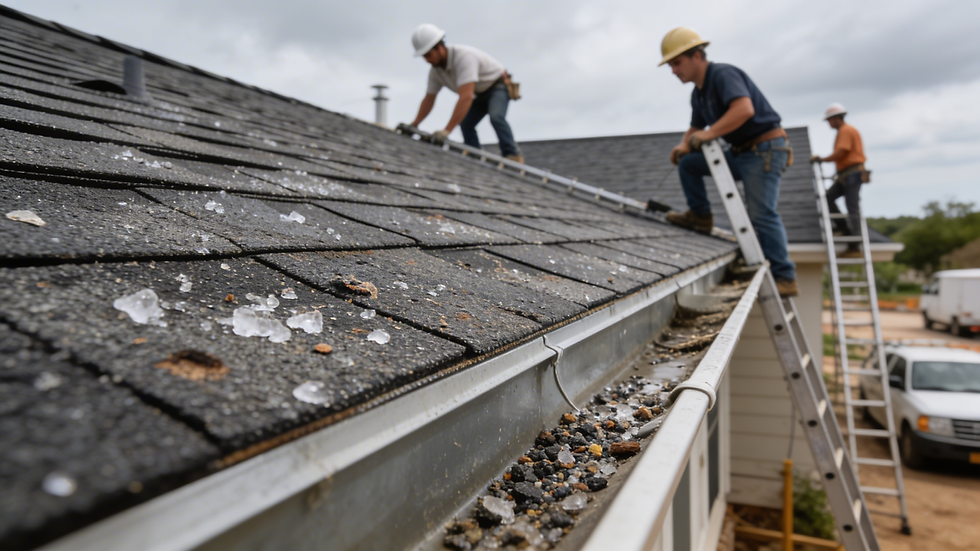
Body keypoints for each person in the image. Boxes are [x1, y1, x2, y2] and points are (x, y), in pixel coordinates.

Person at [659, 27, 798, 296]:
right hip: (741, 153)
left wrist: (710, 133)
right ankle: (700, 216)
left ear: (697, 56)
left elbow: (744, 109)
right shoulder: (698, 94)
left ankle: (785, 277)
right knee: (689, 163)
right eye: (670, 66)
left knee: (761, 214)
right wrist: (683, 146)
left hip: (765, 149)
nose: (673, 70)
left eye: (676, 63)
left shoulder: (722, 74)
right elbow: (695, 128)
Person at [409, 24, 524, 163]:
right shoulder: (435, 72)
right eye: (424, 56)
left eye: (428, 55)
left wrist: (446, 131)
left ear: (439, 47)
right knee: (465, 124)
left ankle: (512, 155)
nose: (427, 60)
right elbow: (429, 99)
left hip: (497, 86)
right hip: (479, 93)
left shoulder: (463, 58)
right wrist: (414, 125)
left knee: (496, 117)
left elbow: (466, 96)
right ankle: (474, 156)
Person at [811, 103, 867, 258]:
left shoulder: (846, 130)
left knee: (852, 207)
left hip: (852, 174)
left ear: (836, 119)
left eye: (830, 120)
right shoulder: (844, 131)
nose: (829, 123)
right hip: (846, 175)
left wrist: (822, 159)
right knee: (828, 198)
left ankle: (854, 246)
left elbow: (841, 152)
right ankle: (844, 229)